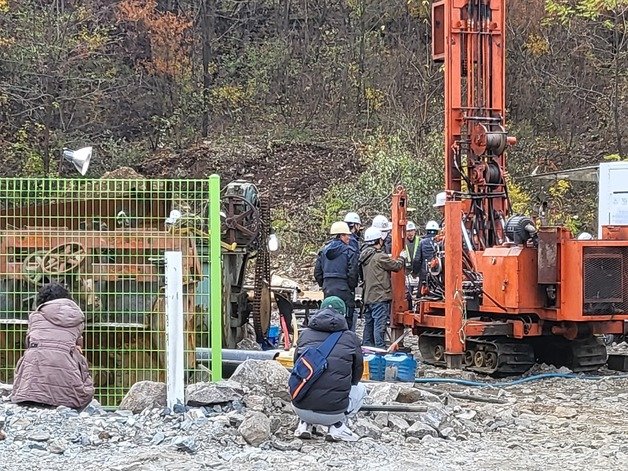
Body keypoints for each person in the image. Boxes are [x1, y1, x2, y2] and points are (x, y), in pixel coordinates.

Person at [292, 296, 366, 442]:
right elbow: (357, 376)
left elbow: (296, 366)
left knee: (304, 381)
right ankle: (337, 426)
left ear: (320, 311)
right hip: (334, 412)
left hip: (300, 408)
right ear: (343, 314)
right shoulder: (351, 338)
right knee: (361, 389)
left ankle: (304, 424)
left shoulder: (305, 334)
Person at [11, 282, 94, 409]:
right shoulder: (77, 318)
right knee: (74, 352)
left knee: (33, 351)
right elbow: (78, 344)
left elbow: (28, 342)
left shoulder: (35, 316)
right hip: (66, 367)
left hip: (33, 373)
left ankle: (30, 391)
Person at [359, 226, 405, 348]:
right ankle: (380, 348)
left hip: (368, 296)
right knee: (379, 324)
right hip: (379, 296)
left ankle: (367, 347)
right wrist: (402, 257)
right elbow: (396, 266)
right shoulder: (379, 257)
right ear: (378, 241)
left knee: (369, 324)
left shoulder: (364, 257)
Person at [314, 222, 359, 329]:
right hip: (344, 288)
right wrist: (351, 287)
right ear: (341, 235)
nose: (349, 237)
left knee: (328, 315)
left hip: (328, 288)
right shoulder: (349, 251)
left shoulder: (323, 251)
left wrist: (324, 284)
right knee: (346, 317)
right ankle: (345, 341)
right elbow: (353, 272)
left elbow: (317, 272)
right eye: (347, 235)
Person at [412, 220, 440, 294]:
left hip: (425, 275)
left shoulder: (422, 242)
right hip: (439, 276)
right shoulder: (441, 242)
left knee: (421, 297)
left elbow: (417, 260)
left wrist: (415, 272)